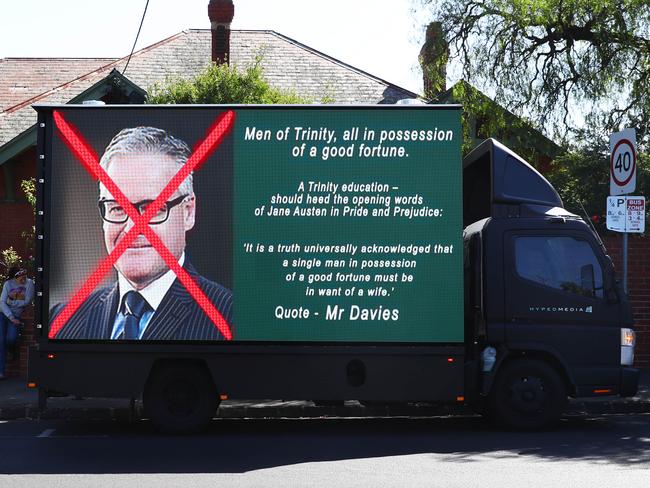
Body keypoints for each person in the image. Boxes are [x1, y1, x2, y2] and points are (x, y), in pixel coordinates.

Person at [53, 126, 232, 340]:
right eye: (118, 208)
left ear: (188, 212)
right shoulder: (62, 320)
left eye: (152, 208)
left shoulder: (232, 317)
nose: (132, 228)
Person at [1, 267, 34, 379]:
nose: (23, 280)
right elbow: (2, 302)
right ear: (14, 278)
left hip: (16, 315)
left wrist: (11, 302)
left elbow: (27, 301)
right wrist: (11, 316)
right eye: (21, 278)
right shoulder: (8, 284)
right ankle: (1, 372)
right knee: (1, 341)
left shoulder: (29, 283)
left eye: (25, 277)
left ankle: (12, 349)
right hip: (4, 314)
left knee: (11, 338)